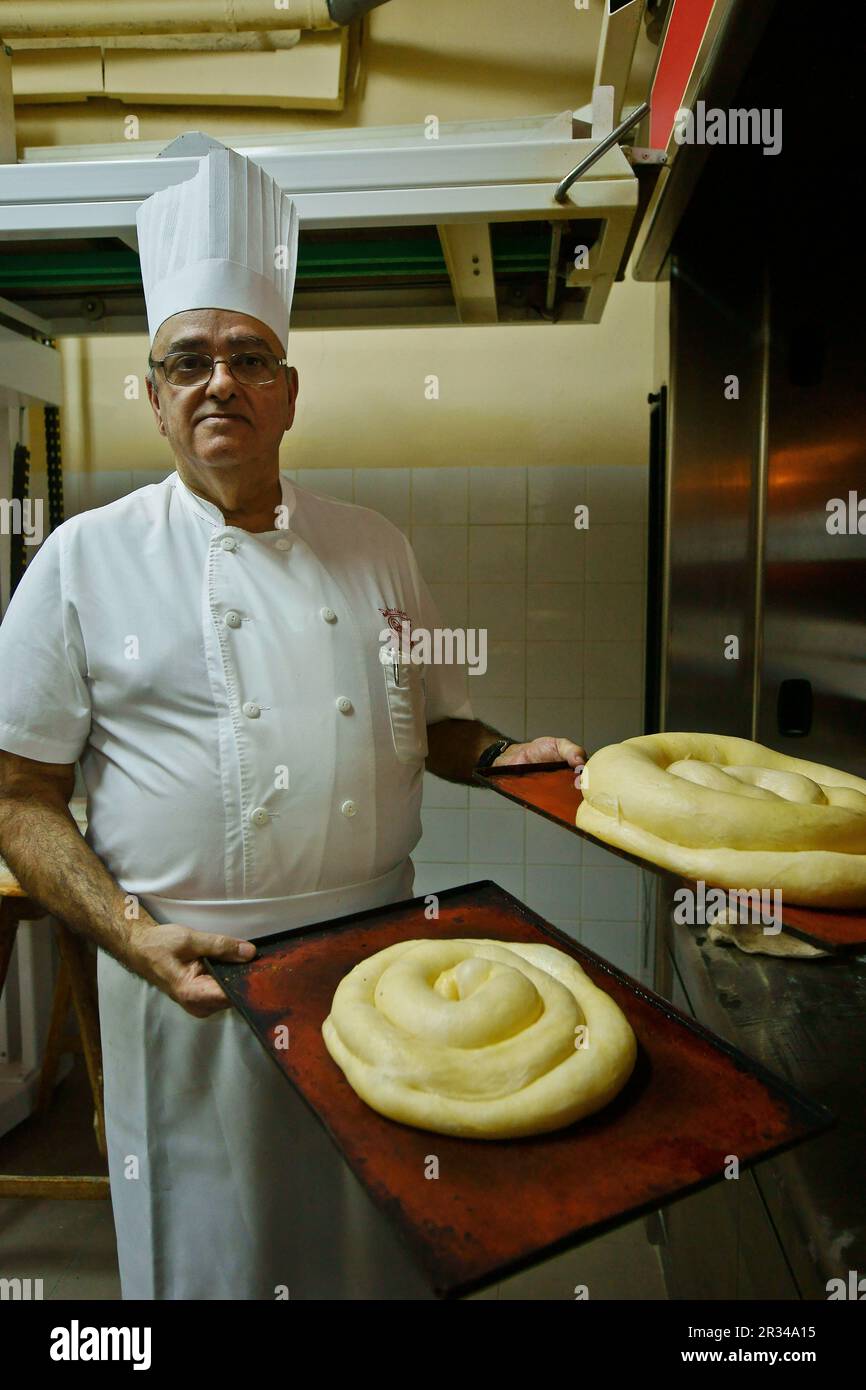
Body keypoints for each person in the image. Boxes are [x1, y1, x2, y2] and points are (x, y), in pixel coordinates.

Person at [0, 141, 585, 1299]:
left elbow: (439, 727)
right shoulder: (81, 562)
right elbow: (17, 795)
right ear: (157, 394)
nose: (220, 380)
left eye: (249, 357)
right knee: (210, 1260)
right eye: (189, 360)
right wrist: (126, 928)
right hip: (187, 980)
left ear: (288, 390)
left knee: (370, 1253)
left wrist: (502, 753)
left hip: (379, 973)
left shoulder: (376, 547)